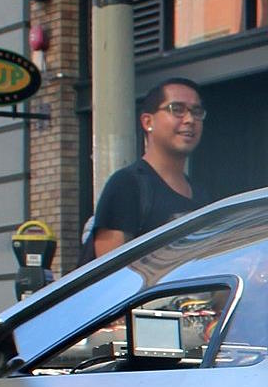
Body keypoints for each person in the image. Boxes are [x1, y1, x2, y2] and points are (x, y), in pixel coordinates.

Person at [84, 77, 206, 263]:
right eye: (177, 110)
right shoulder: (126, 186)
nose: (190, 120)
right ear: (148, 121)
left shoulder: (201, 195)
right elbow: (108, 276)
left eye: (196, 112)